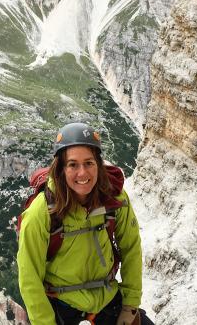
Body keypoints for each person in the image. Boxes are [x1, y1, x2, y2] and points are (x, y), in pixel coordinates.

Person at [17, 122, 144, 325]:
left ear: (98, 164)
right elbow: (29, 277)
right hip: (63, 307)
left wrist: (130, 306)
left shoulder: (115, 197)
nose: (82, 173)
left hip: (108, 300)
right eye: (73, 164)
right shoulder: (41, 212)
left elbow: (131, 249)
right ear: (61, 168)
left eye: (89, 163)